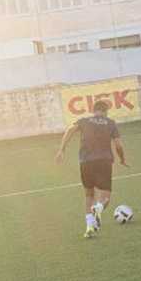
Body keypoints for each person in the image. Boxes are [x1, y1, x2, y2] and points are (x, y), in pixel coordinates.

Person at [56, 100, 128, 238]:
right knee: (105, 197)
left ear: (93, 110)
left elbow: (70, 129)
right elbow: (118, 145)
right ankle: (99, 208)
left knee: (89, 195)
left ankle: (89, 227)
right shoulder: (110, 123)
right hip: (104, 161)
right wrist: (122, 159)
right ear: (106, 111)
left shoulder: (84, 120)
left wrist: (62, 149)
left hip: (86, 162)